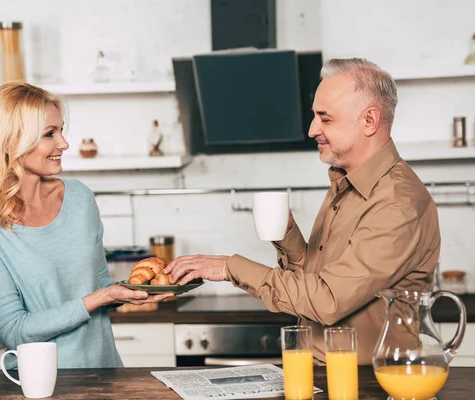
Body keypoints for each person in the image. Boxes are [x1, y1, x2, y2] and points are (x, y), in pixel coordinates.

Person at [164, 58, 441, 365]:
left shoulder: (396, 203)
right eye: (314, 117)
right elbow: (316, 283)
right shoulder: (346, 184)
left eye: (325, 118)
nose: (312, 130)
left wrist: (230, 267)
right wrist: (289, 237)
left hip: (372, 385)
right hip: (327, 377)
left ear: (369, 121)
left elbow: (328, 300)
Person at [0, 82, 172, 370]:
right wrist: (101, 297)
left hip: (102, 373)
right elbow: (12, 330)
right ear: (10, 142)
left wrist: (136, 290)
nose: (64, 144)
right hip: (30, 382)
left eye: (61, 130)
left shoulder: (79, 198)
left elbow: (99, 286)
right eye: (50, 134)